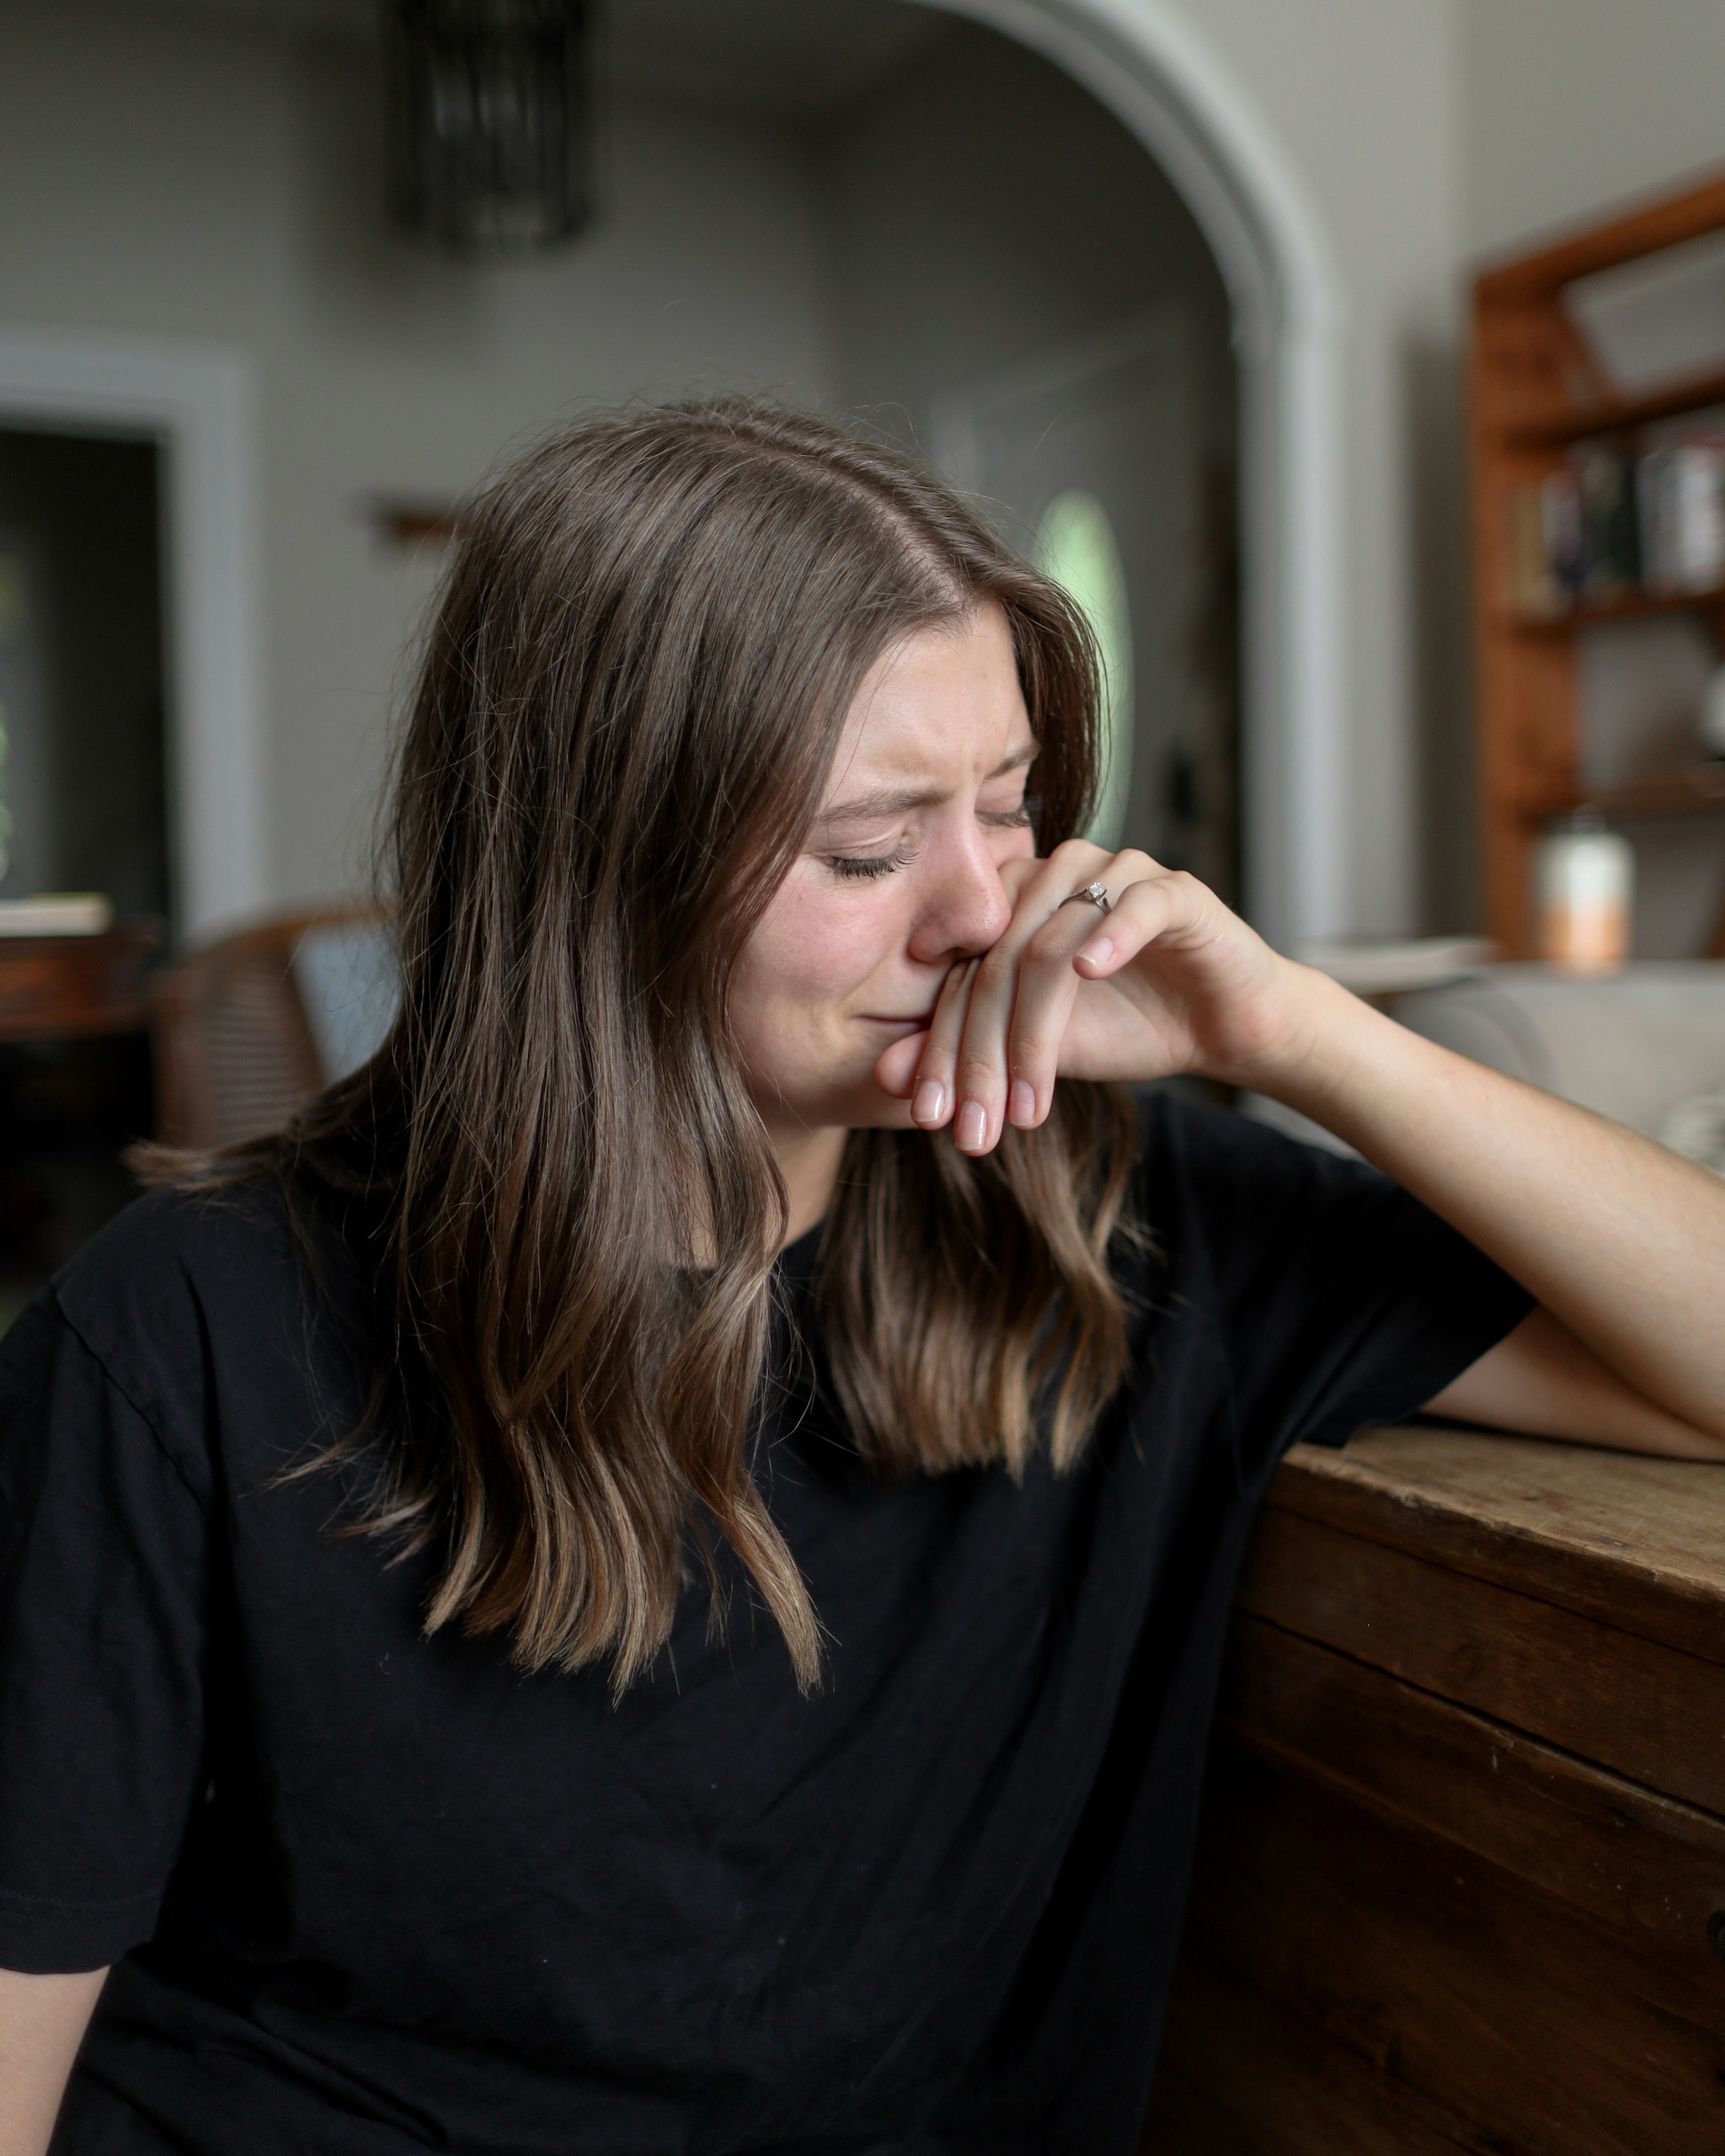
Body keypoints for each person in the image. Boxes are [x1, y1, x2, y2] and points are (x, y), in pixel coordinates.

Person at [1, 402, 1721, 2156]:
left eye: (1010, 804)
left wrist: (1292, 1031)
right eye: (866, 848)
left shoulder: (1113, 1223)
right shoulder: (183, 1329)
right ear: (598, 868)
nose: (984, 907)